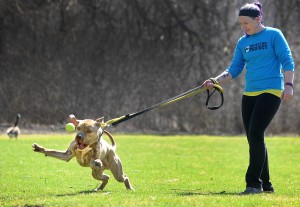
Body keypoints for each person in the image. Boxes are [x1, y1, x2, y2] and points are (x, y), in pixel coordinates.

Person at [203, 1, 295, 194]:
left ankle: (253, 183)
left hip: (270, 91)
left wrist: (288, 85)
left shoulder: (273, 35)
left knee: (255, 133)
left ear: (258, 19)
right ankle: (267, 184)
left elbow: (287, 60)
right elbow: (234, 68)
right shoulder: (243, 42)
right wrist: (215, 80)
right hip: (249, 94)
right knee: (255, 138)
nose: (243, 27)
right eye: (240, 24)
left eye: (246, 23)